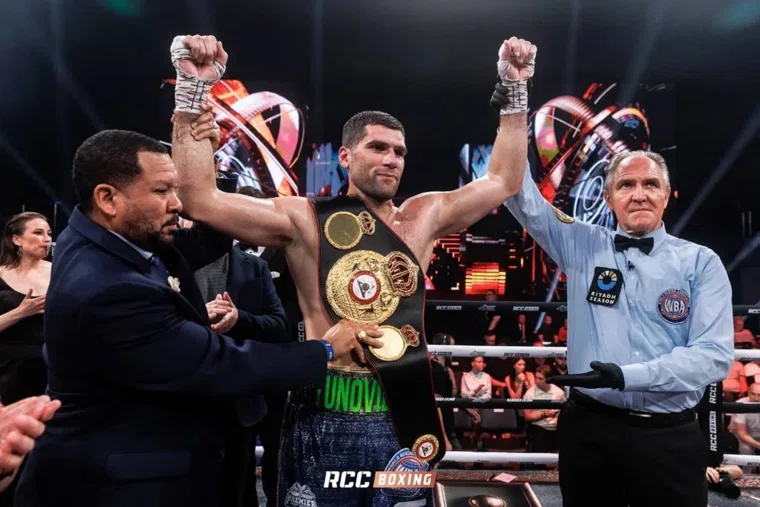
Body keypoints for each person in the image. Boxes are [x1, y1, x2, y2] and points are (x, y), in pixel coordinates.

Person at [169, 33, 536, 506]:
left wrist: (516, 91)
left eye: (399, 152)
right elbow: (199, 199)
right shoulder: (305, 219)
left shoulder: (423, 217)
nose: (391, 160)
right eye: (378, 148)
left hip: (400, 414)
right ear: (345, 157)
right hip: (322, 410)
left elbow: (504, 179)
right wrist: (192, 91)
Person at [13, 125, 382, 507]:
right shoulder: (109, 287)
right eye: (162, 191)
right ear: (107, 198)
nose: (178, 204)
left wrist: (204, 162)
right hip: (117, 485)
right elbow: (219, 363)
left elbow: (209, 237)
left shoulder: (94, 238)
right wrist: (324, 350)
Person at [505, 150, 734, 506]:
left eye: (650, 184)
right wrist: (512, 121)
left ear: (666, 195)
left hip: (670, 438)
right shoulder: (581, 244)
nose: (639, 194)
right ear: (608, 197)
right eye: (626, 185)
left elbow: (713, 356)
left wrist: (627, 376)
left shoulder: (701, 263)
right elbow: (521, 196)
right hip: (591, 431)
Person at [0, 213, 50, 405]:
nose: (47, 239)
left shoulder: (60, 271)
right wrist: (21, 312)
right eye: (38, 232)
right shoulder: (1, 275)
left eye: (49, 233)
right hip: (10, 372)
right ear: (17, 239)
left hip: (52, 367)